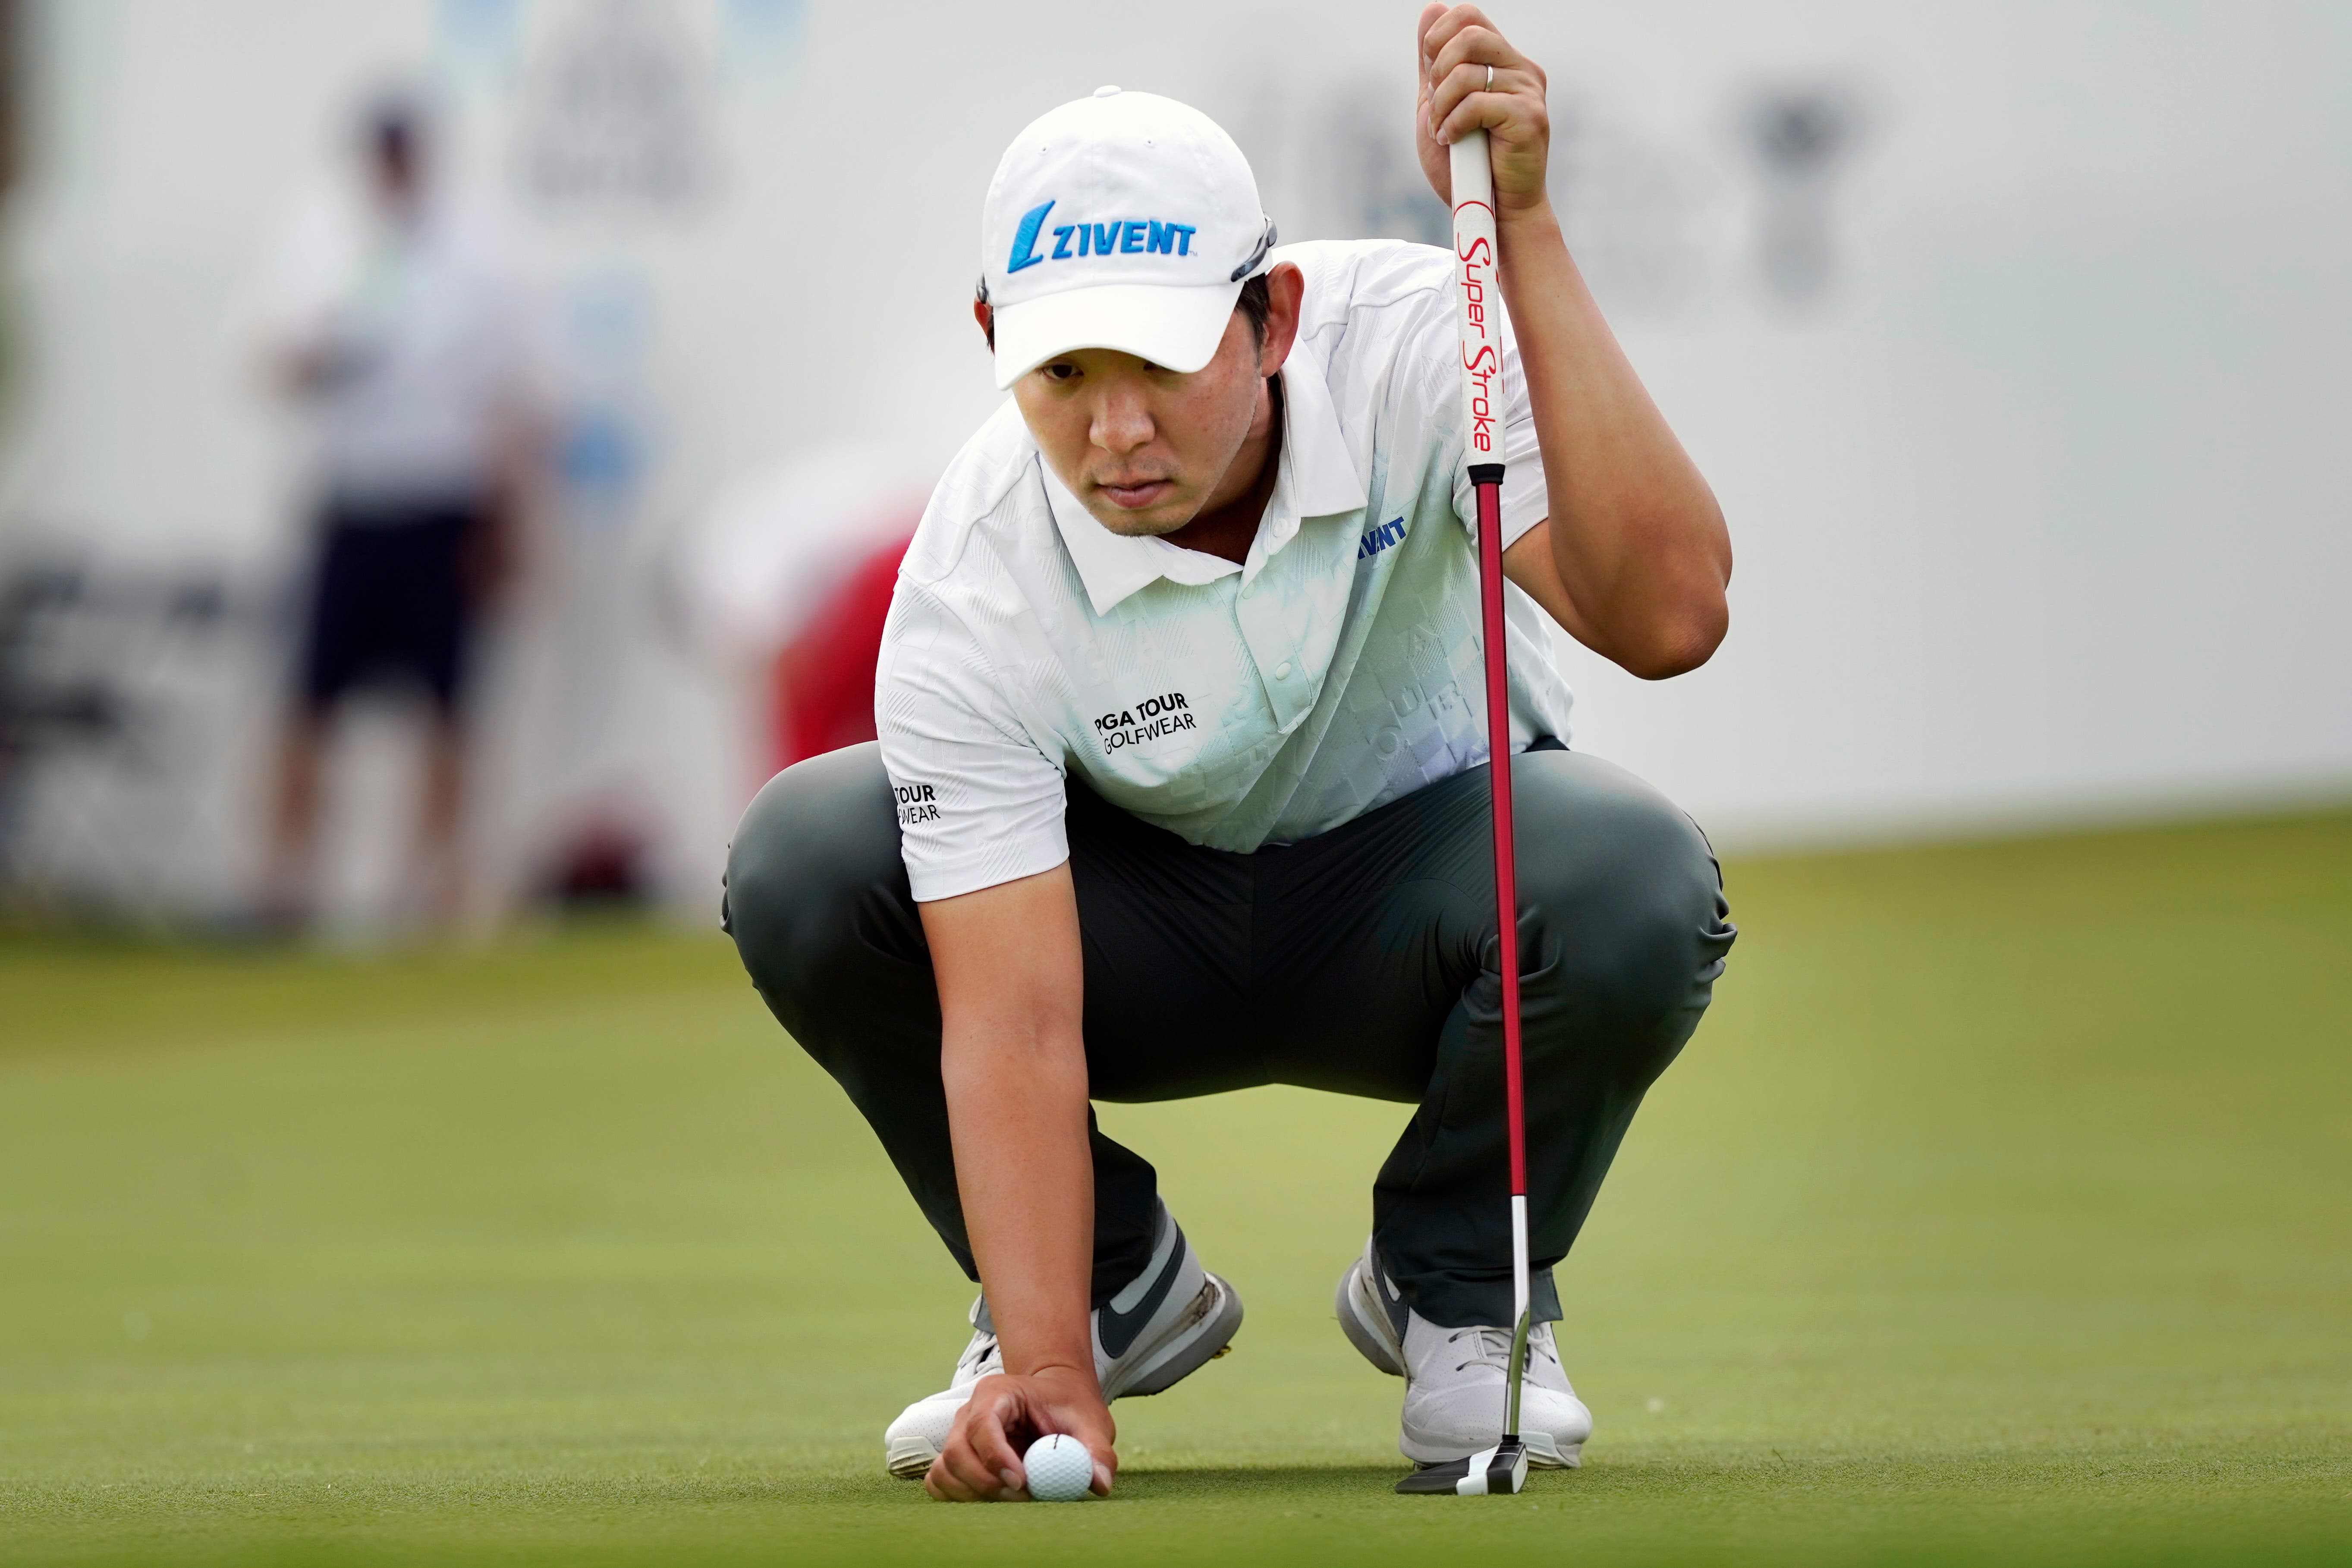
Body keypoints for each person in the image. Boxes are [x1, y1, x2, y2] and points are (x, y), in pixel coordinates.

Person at [724, 4, 1736, 1501]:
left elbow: (1670, 612)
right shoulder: (976, 575)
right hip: (1133, 940)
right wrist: (1051, 1370)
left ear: (1270, 316)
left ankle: (1458, 1283)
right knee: (811, 856)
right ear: (995, 339)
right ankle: (1105, 1292)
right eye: (1063, 375)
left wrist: (1522, 233)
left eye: (1163, 362)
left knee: (1634, 878)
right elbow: (1007, 1019)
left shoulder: (1411, 338)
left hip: (1431, 910)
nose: (1115, 430)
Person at [254, 91, 537, 930]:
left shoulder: (479, 250)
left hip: (443, 500)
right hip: (352, 498)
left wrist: (505, 524)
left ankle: (436, 884)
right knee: (308, 698)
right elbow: (271, 362)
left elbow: (508, 395)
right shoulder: (318, 240)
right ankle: (286, 883)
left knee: (448, 705)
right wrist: (319, 351)